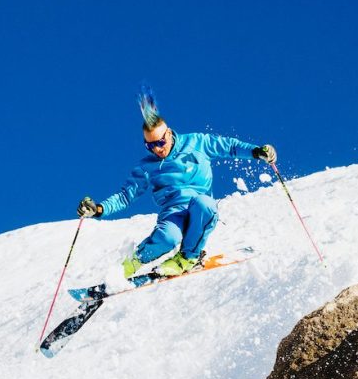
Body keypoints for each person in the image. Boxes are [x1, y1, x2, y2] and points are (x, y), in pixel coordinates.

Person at [77, 90, 276, 278]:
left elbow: (229, 147)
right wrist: (98, 209)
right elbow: (126, 195)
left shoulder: (197, 143)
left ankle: (188, 257)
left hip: (199, 205)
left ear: (169, 134)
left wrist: (256, 152)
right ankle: (132, 263)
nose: (157, 149)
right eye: (150, 145)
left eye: (160, 142)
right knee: (167, 237)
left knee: (204, 205)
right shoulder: (147, 166)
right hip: (173, 211)